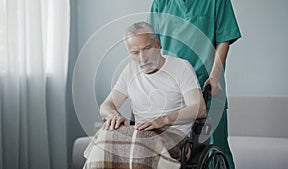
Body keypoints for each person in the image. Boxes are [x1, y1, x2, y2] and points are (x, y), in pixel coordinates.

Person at [83, 22, 206, 169]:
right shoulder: (130, 71)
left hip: (174, 135)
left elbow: (199, 108)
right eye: (135, 53)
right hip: (142, 133)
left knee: (142, 140)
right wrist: (113, 115)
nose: (142, 58)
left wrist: (163, 120)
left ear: (158, 44)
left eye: (147, 49)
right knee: (107, 133)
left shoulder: (181, 67)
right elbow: (106, 106)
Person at [148, 0, 241, 168]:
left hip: (207, 86)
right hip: (173, 89)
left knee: (215, 149)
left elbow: (224, 39)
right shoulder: (161, 3)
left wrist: (214, 76)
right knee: (174, 152)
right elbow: (152, 44)